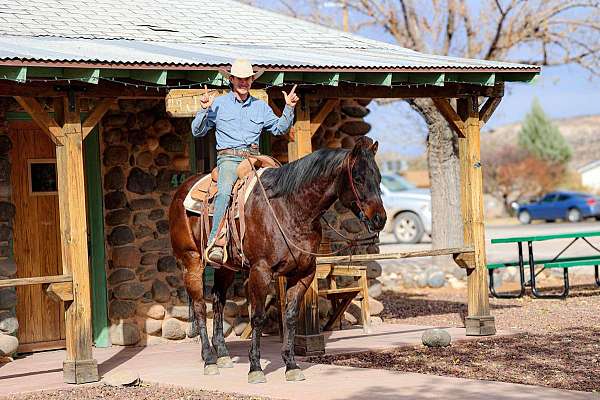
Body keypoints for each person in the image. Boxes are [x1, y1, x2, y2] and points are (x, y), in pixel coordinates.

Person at [192, 59, 299, 263]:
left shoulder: (261, 106)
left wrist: (289, 108)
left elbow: (279, 129)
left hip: (256, 159)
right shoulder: (218, 104)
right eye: (239, 79)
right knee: (224, 191)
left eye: (247, 79)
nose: (243, 83)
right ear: (231, 80)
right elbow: (197, 131)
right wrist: (204, 110)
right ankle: (215, 241)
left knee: (282, 186)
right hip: (229, 159)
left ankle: (280, 239)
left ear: (252, 80)